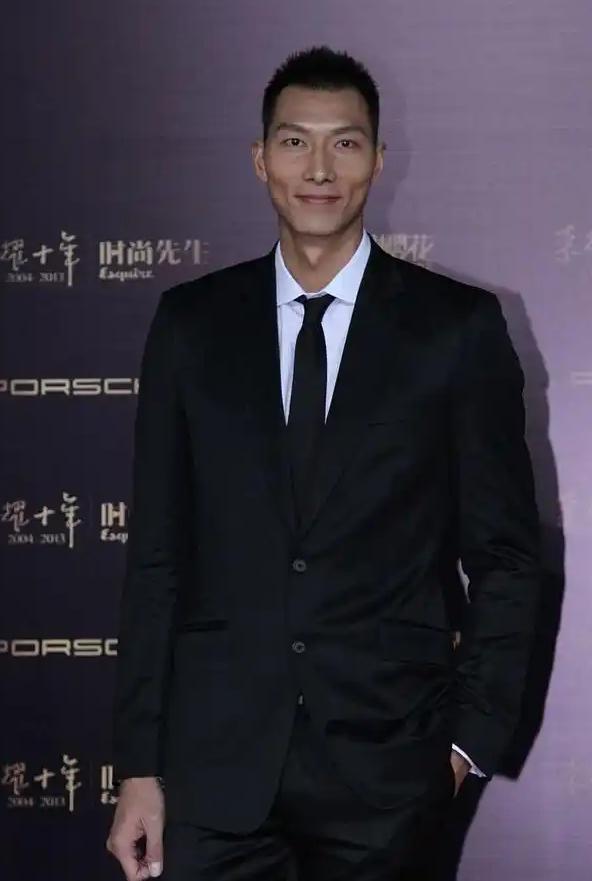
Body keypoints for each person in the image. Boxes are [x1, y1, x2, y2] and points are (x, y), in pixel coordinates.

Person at [106, 45, 540, 881]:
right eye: (294, 141)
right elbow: (156, 556)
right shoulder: (191, 326)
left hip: (390, 774)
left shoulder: (455, 329)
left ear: (378, 159)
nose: (318, 169)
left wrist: (464, 746)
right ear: (259, 158)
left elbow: (508, 557)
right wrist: (138, 767)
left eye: (344, 143)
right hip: (215, 775)